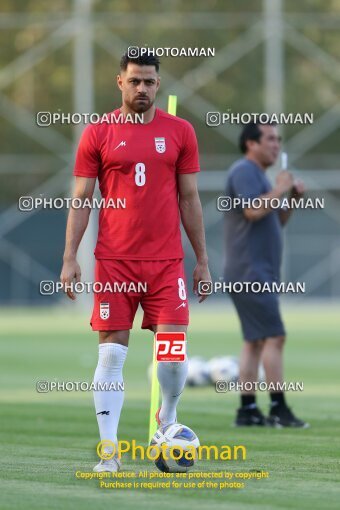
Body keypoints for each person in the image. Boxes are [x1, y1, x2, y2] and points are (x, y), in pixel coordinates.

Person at [60, 51, 211, 471]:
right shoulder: (98, 133)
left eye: (149, 81)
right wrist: (70, 256)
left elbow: (189, 198)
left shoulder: (180, 131)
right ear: (120, 83)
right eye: (135, 81)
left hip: (166, 262)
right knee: (110, 356)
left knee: (173, 350)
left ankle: (169, 417)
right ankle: (109, 453)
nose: (142, 88)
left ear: (158, 85)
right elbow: (81, 199)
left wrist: (201, 260)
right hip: (114, 262)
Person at [224, 122, 308, 428]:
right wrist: (280, 187)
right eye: (270, 139)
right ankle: (278, 407)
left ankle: (247, 410)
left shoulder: (259, 176)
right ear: (251, 144)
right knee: (275, 336)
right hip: (250, 271)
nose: (276, 144)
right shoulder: (244, 171)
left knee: (255, 340)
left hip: (255, 271)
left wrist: (291, 200)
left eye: (278, 139)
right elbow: (252, 210)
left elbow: (273, 220)